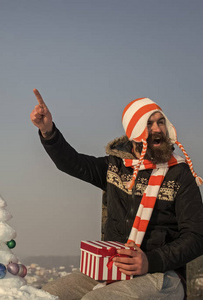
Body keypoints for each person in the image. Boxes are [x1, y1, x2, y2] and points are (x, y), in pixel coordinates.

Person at [30, 89, 203, 299]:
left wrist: (150, 260)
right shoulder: (115, 167)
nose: (158, 129)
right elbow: (72, 163)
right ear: (135, 131)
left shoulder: (180, 175)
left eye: (161, 122)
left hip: (163, 273)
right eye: (149, 124)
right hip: (112, 267)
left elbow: (196, 236)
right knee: (46, 295)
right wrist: (48, 132)